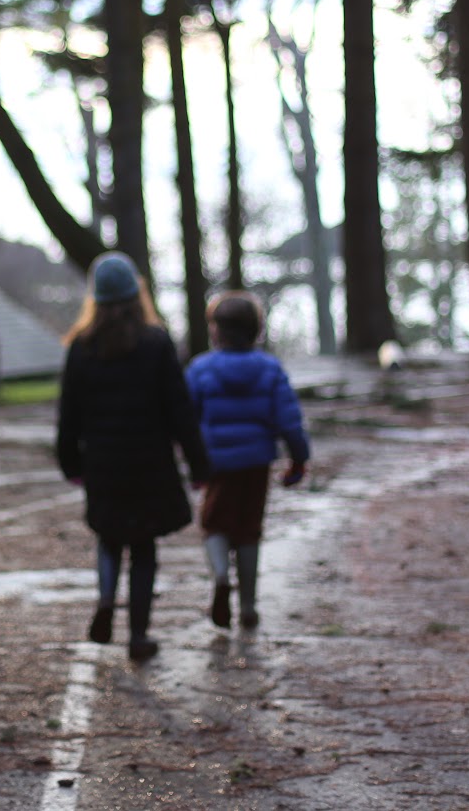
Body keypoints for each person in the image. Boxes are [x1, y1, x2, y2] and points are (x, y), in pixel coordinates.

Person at [56, 251, 209, 662]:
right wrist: (198, 464)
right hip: (149, 463)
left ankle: (106, 599)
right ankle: (138, 636)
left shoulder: (81, 348)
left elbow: (68, 414)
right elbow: (180, 410)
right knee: (143, 548)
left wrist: (70, 462)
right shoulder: (156, 343)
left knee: (109, 538)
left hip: (102, 462)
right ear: (136, 293)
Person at [185, 290, 310, 632]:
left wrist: (191, 461)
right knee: (248, 530)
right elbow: (289, 420)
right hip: (256, 463)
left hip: (216, 463)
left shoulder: (200, 368)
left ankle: (221, 576)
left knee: (214, 524)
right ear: (255, 329)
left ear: (216, 330)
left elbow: (186, 419)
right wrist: (299, 458)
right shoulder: (269, 368)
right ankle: (249, 606)